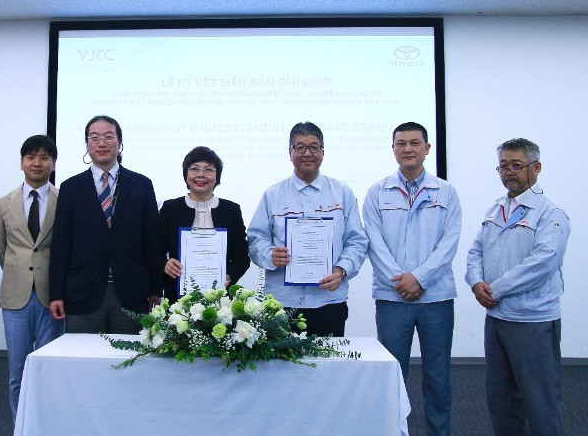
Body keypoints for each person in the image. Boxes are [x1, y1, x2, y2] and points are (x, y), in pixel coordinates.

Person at [466, 138, 570, 436]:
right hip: (497, 320)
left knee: (540, 401)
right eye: (503, 166)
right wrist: (475, 282)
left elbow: (542, 263)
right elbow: (475, 251)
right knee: (501, 400)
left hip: (532, 320)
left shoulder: (551, 213)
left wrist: (493, 290)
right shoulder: (495, 208)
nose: (509, 172)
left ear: (535, 168)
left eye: (516, 165)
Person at [362, 122, 461, 435]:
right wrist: (400, 279)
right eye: (401, 143)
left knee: (437, 375)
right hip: (393, 298)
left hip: (436, 298)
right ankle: (393, 430)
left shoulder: (447, 192)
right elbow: (373, 242)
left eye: (414, 143)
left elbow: (450, 241)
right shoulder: (376, 193)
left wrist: (419, 278)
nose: (408, 149)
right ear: (393, 150)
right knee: (393, 374)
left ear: (427, 148)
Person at [248, 121, 367, 337]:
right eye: (300, 147)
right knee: (280, 368)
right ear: (290, 152)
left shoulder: (342, 193)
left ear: (323, 151)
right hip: (282, 302)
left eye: (314, 146)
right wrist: (270, 255)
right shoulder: (272, 195)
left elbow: (356, 241)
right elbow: (256, 239)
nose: (307, 153)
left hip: (328, 300)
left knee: (329, 368)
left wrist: (341, 270)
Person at [49, 115, 159, 334]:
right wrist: (56, 294)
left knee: (127, 362)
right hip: (83, 291)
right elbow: (61, 244)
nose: (102, 143)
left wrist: (156, 289)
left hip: (132, 293)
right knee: (83, 362)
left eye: (109, 137)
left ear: (120, 142)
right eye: (94, 137)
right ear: (87, 144)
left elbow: (152, 242)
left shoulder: (141, 185)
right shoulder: (71, 188)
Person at [0, 135, 64, 419]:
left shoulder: (64, 199)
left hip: (52, 296)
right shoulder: (3, 203)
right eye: (31, 157)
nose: (37, 163)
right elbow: (2, 249)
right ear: (21, 162)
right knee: (17, 371)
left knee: (47, 368)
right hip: (15, 296)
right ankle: (20, 426)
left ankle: (44, 425)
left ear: (54, 164)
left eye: (44, 157)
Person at [154, 146, 250, 301]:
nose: (201, 175)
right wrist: (164, 264)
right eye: (194, 169)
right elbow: (154, 252)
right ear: (186, 174)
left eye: (208, 169)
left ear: (217, 176)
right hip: (178, 298)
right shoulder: (170, 208)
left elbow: (242, 258)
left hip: (220, 299)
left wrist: (228, 275)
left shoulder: (231, 210)